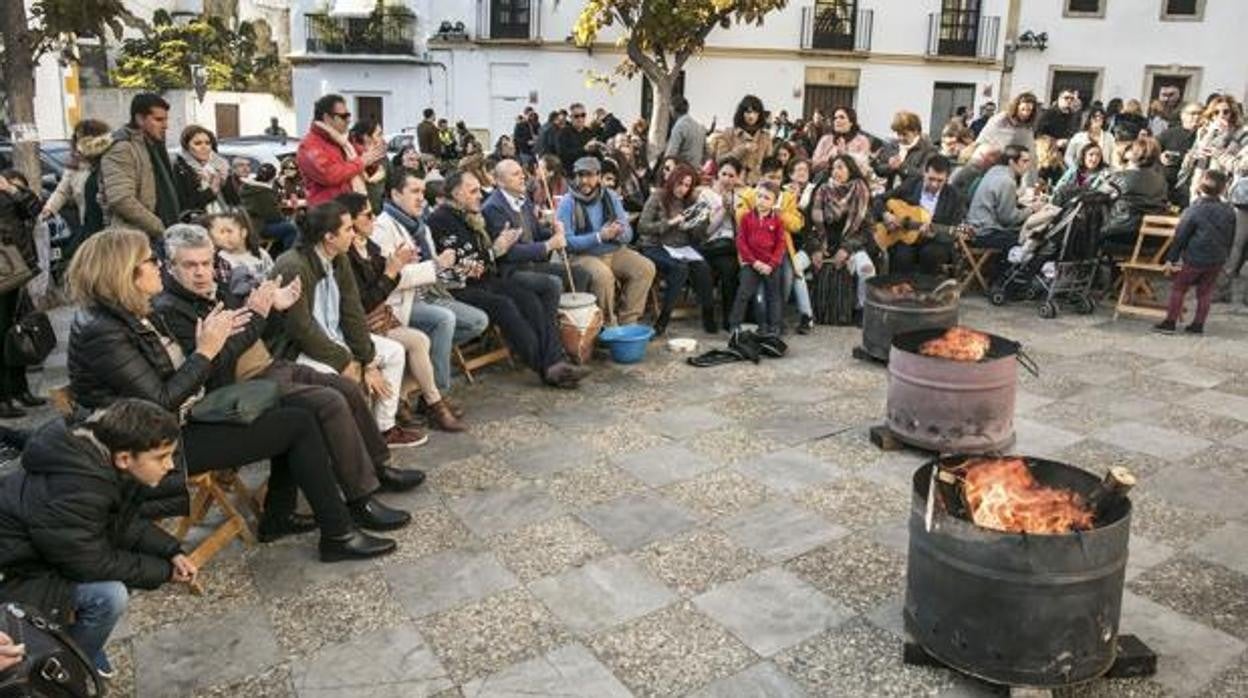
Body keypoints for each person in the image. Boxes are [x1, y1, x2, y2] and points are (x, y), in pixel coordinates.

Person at [66, 228, 398, 561]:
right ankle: (338, 532)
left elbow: (178, 377)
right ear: (126, 273)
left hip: (177, 420)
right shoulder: (105, 331)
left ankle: (284, 516)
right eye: (151, 261)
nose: (158, 268)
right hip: (156, 444)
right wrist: (206, 351)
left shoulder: (129, 315)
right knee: (300, 421)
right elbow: (162, 401)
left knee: (299, 416)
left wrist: (225, 335)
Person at [154, 223, 422, 529]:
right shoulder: (170, 308)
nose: (201, 272)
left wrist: (275, 308)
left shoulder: (212, 288)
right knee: (328, 402)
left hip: (268, 367)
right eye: (190, 265)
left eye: (205, 263)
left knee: (345, 387)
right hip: (238, 390)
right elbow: (213, 362)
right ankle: (360, 499)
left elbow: (252, 334)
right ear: (170, 266)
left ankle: (377, 469)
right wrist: (258, 314)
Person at [0, 399, 191, 677]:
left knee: (120, 575)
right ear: (124, 458)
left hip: (44, 554)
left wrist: (171, 550)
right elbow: (89, 563)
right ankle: (69, 667)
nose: (170, 465)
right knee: (110, 596)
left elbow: (119, 523)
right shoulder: (79, 486)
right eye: (161, 457)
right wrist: (164, 572)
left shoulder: (98, 459)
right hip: (18, 575)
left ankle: (81, 642)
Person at [268, 201, 426, 446]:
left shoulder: (338, 258)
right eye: (348, 229)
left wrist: (368, 360)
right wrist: (345, 361)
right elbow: (301, 330)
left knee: (393, 352)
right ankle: (346, 443)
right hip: (298, 350)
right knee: (338, 380)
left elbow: (352, 312)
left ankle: (383, 428)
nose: (354, 233)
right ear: (329, 237)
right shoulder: (293, 265)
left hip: (334, 337)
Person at [428, 171, 588, 388]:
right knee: (506, 305)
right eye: (473, 191)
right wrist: (497, 250)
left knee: (530, 299)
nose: (480, 196)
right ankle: (547, 367)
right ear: (457, 194)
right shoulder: (441, 220)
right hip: (460, 286)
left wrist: (503, 244)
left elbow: (484, 257)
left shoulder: (472, 216)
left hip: (487, 278)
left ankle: (554, 362)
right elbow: (468, 266)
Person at [338, 193, 464, 431]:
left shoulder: (369, 247)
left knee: (423, 340)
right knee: (426, 334)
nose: (372, 219)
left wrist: (397, 265)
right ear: (351, 222)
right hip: (359, 327)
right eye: (367, 215)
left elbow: (384, 283)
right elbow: (366, 300)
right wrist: (393, 270)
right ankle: (432, 404)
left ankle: (414, 401)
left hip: (380, 319)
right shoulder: (347, 256)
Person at [371, 170, 487, 403]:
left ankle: (419, 372)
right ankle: (435, 396)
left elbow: (435, 270)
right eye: (414, 191)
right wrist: (436, 265)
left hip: (428, 294)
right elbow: (391, 277)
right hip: (399, 302)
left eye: (423, 192)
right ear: (395, 194)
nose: (421, 198)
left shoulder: (419, 226)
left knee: (478, 321)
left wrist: (460, 269)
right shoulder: (382, 228)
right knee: (443, 320)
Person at [557, 157, 656, 326]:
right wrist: (599, 236)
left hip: (613, 249)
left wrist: (618, 232)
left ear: (598, 176)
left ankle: (629, 320)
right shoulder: (568, 202)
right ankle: (607, 324)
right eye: (580, 175)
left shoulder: (610, 197)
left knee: (645, 268)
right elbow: (567, 242)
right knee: (603, 277)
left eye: (589, 175)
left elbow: (628, 234)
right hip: (582, 255)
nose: (584, 181)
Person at [482, 159, 590, 296]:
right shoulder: (493, 207)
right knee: (553, 283)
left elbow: (537, 232)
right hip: (511, 269)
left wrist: (553, 231)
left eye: (522, 172)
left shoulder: (523, 199)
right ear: (500, 181)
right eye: (515, 174)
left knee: (580, 274)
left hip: (531, 264)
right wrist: (548, 245)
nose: (523, 177)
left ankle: (570, 314)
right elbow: (509, 253)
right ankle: (553, 316)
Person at [637, 163, 717, 335]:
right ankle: (663, 319)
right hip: (655, 246)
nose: (683, 189)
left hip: (680, 247)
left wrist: (700, 223)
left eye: (687, 185)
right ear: (672, 180)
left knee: (703, 267)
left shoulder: (690, 202)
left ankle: (708, 315)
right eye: (680, 183)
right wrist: (670, 223)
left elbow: (698, 235)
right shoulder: (658, 196)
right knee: (679, 269)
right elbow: (642, 227)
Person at [1154, 171, 1236, 335]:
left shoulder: (1193, 210)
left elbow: (1180, 237)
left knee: (1179, 288)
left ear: (1199, 186)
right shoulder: (1229, 211)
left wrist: (1171, 258)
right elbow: (1231, 235)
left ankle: (1170, 322)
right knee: (1205, 292)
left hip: (1194, 258)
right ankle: (1198, 325)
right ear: (1222, 189)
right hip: (1216, 258)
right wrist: (1225, 254)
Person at [100, 92, 180, 242]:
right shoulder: (122, 148)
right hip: (134, 239)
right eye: (158, 120)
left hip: (158, 237)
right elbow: (121, 199)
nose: (166, 126)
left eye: (166, 120)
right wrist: (158, 226)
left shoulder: (155, 145)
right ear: (140, 119)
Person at [0, 171, 44, 418]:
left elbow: (34, 207)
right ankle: (3, 397)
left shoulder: (7, 183)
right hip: (5, 267)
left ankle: (19, 389)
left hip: (15, 268)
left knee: (17, 329)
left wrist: (11, 189)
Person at [876, 154, 965, 277]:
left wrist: (934, 234)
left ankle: (924, 291)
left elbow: (954, 228)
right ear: (924, 173)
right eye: (931, 179)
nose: (934, 184)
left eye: (940, 181)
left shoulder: (954, 196)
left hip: (935, 242)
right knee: (901, 255)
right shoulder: (912, 184)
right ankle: (898, 290)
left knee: (931, 254)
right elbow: (879, 200)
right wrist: (886, 214)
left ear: (947, 178)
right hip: (904, 235)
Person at [809, 154, 876, 312]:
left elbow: (867, 230)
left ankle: (862, 309)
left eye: (840, 167)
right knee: (797, 266)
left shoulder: (861, 191)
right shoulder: (822, 190)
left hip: (852, 244)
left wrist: (846, 248)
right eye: (833, 168)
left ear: (850, 170)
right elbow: (810, 226)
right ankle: (807, 313)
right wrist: (816, 248)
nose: (835, 172)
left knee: (867, 270)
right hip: (824, 243)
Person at [296, 94, 387, 206]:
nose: (349, 120)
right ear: (327, 118)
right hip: (328, 213)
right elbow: (329, 175)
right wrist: (362, 162)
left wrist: (372, 164)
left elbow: (355, 168)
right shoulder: (309, 145)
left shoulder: (340, 141)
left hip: (348, 208)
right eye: (344, 116)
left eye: (349, 115)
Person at [728, 181, 786, 335]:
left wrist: (772, 264)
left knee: (774, 296)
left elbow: (781, 244)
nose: (761, 200)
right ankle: (735, 324)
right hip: (752, 263)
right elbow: (741, 242)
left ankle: (774, 326)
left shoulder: (777, 221)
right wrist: (753, 262)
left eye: (767, 198)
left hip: (770, 266)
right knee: (743, 293)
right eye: (759, 196)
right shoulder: (747, 218)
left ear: (774, 202)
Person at [40, 118, 111, 240]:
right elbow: (62, 191)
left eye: (83, 138)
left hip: (111, 225)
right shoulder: (75, 166)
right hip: (88, 225)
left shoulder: (111, 162)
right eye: (77, 138)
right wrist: (49, 209)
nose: (79, 143)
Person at [966, 145, 1039, 253]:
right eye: (1024, 161)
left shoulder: (994, 171)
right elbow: (1008, 219)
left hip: (974, 228)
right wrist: (1032, 209)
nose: (1028, 165)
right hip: (984, 233)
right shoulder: (1007, 181)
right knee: (1029, 240)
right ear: (1012, 162)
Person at [700, 158, 745, 331]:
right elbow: (707, 230)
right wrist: (723, 210)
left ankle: (729, 318)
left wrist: (735, 212)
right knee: (710, 268)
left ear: (737, 178)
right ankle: (712, 315)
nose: (726, 179)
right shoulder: (706, 195)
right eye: (723, 174)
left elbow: (743, 230)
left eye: (731, 175)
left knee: (729, 268)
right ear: (717, 175)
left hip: (730, 246)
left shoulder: (741, 197)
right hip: (712, 244)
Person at [1102, 138, 1169, 247]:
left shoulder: (1120, 178)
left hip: (1120, 235)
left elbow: (1096, 193)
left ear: (1134, 154)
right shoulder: (1161, 180)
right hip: (1153, 238)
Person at [173, 125, 240, 215]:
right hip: (198, 223)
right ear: (187, 147)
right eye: (198, 143)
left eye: (208, 143)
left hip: (224, 219)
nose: (204, 147)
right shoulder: (181, 169)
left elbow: (234, 201)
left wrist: (225, 178)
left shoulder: (220, 166)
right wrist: (211, 191)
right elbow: (186, 204)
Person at [975, 92, 1040, 184]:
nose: (1026, 113)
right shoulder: (1000, 120)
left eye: (1029, 110)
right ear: (1016, 107)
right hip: (995, 165)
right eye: (1023, 109)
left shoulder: (1027, 128)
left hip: (1017, 167)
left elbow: (1031, 154)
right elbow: (984, 139)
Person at [709, 95, 774, 184]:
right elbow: (720, 159)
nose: (751, 116)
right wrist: (742, 148)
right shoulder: (729, 133)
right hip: (731, 184)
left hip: (756, 186)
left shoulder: (765, 137)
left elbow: (769, 166)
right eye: (748, 112)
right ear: (741, 113)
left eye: (755, 112)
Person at [239, 163, 299, 253]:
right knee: (291, 228)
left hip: (251, 224)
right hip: (260, 227)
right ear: (272, 178)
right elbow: (274, 215)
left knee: (287, 225)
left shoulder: (248, 187)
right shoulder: (264, 192)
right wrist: (286, 220)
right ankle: (288, 254)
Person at [875, 111, 936, 191]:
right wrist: (889, 167)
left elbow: (923, 175)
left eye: (904, 134)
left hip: (912, 198)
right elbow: (878, 169)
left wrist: (901, 167)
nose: (900, 138)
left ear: (916, 131)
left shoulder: (928, 150)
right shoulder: (893, 145)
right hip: (891, 194)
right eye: (898, 134)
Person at [1158, 102, 1203, 207]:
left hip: (1192, 187)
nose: (1196, 117)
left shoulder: (1206, 136)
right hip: (1168, 187)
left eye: (1200, 113)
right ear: (1183, 115)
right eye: (1193, 113)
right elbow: (1152, 150)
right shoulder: (1169, 134)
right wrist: (1160, 157)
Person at [348, 119, 391, 215]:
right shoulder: (351, 158)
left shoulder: (382, 159)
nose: (382, 138)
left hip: (378, 213)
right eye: (379, 134)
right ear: (366, 137)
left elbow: (390, 186)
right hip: (356, 214)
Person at [1052, 143, 1110, 207]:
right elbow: (1060, 186)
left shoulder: (1104, 174)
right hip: (1065, 206)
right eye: (1091, 154)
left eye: (1098, 155)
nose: (1094, 159)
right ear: (1084, 156)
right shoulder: (1074, 170)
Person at [1064, 107, 1116, 171]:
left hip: (1103, 173)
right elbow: (1068, 156)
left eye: (1101, 116)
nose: (1098, 118)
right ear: (1088, 119)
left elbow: (1113, 158)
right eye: (1095, 116)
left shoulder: (1109, 137)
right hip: (1081, 172)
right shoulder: (1078, 137)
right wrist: (1075, 169)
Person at [557, 103, 600, 176]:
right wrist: (584, 150)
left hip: (589, 172)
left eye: (583, 115)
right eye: (576, 116)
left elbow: (595, 154)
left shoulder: (589, 132)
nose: (580, 119)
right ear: (571, 117)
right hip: (571, 174)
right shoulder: (563, 133)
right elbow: (563, 155)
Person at [665, 96, 706, 170]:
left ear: (672, 109)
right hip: (695, 170)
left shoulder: (679, 126)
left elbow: (671, 154)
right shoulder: (699, 127)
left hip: (682, 171)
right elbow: (706, 152)